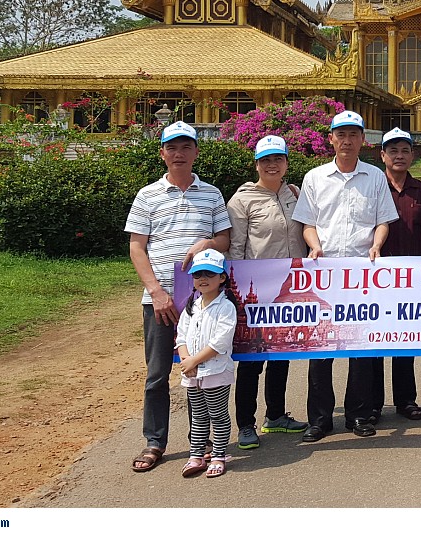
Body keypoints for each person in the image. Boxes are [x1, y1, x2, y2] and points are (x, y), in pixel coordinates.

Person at [126, 121, 232, 474]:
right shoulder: (147, 195)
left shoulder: (212, 194)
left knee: (200, 371)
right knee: (157, 374)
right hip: (160, 300)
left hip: (203, 302)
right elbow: (137, 247)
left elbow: (225, 241)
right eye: (172, 148)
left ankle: (199, 444)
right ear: (162, 154)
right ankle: (155, 441)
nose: (179, 153)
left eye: (186, 147)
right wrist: (156, 292)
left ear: (196, 152)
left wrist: (207, 243)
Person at [292, 110, 399, 440]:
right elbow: (308, 223)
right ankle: (320, 419)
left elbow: (383, 220)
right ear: (332, 139)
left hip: (362, 274)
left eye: (354, 134)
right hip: (324, 274)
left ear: (362, 140)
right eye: (342, 134)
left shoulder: (375, 177)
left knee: (360, 348)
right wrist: (313, 247)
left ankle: (359, 415)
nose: (348, 140)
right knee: (321, 348)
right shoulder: (315, 178)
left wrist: (377, 246)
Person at [227, 135, 309, 450]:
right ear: (257, 164)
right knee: (251, 360)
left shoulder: (294, 194)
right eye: (266, 160)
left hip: (289, 289)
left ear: (286, 162)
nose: (272, 165)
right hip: (256, 291)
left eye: (277, 159)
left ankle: (275, 415)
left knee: (281, 355)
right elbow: (235, 249)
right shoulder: (242, 200)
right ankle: (245, 424)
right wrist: (234, 292)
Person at [378, 127, 421, 422]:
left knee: (404, 340)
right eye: (393, 151)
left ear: (413, 155)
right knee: (372, 339)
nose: (399, 156)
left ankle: (405, 399)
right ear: (382, 155)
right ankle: (371, 403)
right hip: (375, 276)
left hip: (411, 275)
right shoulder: (373, 186)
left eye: (405, 151)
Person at [176, 248, 240, 478]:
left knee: (218, 415)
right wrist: (187, 361)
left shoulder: (226, 307)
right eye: (197, 274)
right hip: (192, 373)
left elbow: (220, 342)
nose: (202, 279)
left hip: (215, 371)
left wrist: (194, 360)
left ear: (222, 277)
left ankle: (219, 455)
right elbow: (181, 337)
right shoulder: (191, 307)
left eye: (209, 274)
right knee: (198, 416)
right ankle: (196, 454)